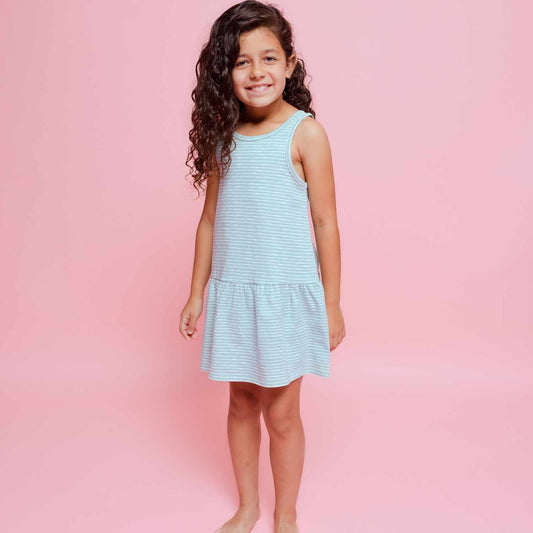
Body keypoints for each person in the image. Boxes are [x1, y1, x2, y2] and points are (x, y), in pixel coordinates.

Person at [179, 1, 345, 531]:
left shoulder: (305, 134)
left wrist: (332, 304)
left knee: (283, 412)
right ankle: (248, 506)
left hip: (284, 296)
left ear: (290, 64)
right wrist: (196, 292)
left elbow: (326, 223)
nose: (257, 72)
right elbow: (210, 220)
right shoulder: (222, 138)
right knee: (240, 403)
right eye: (241, 61)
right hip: (236, 293)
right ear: (224, 72)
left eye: (269, 58)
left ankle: (286, 513)